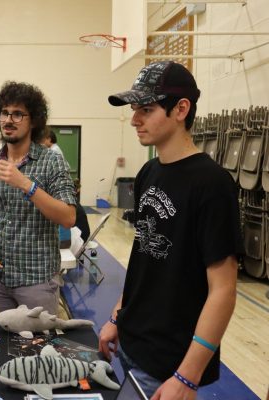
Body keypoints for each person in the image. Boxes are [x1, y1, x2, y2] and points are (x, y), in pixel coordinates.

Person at [98, 61, 242, 399]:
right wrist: (118, 318)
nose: (134, 119)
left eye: (146, 109)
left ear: (181, 109)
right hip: (131, 343)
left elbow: (223, 290)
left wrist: (187, 377)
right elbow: (143, 260)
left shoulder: (212, 184)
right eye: (135, 109)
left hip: (169, 364)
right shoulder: (148, 171)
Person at [0, 81, 76, 318]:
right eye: (5, 113)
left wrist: (26, 184)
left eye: (18, 114)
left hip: (37, 282)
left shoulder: (52, 162)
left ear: (34, 121)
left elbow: (69, 217)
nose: (9, 120)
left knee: (36, 352)